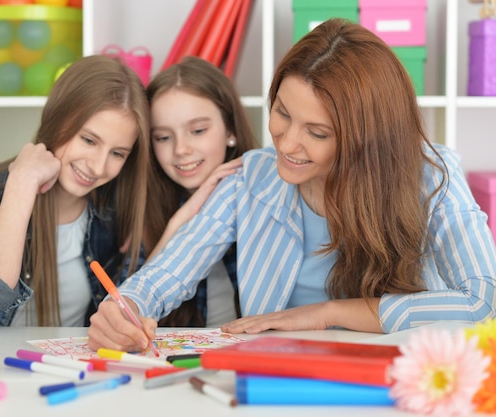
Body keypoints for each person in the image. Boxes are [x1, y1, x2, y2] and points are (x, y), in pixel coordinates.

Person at [87, 18, 496, 352]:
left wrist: (328, 313)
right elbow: (168, 274)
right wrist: (127, 307)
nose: (286, 143)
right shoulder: (251, 176)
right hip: (279, 378)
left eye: (317, 133)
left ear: (366, 139)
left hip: (396, 380)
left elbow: (484, 301)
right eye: (282, 113)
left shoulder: (432, 176)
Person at [0, 55, 151, 328]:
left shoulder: (113, 211)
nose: (97, 166)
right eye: (88, 140)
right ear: (56, 119)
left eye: (117, 153)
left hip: (75, 369)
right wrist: (22, 184)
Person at [142, 56, 259, 327]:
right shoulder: (144, 204)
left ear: (230, 129)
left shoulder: (264, 196)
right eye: (163, 137)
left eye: (197, 130)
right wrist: (178, 222)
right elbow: (130, 308)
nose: (181, 149)